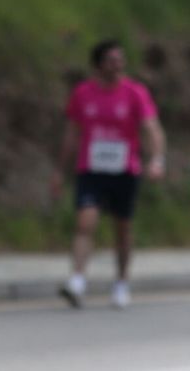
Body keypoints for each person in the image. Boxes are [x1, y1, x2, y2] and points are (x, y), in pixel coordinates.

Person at [53, 39, 166, 309]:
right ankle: (77, 281)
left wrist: (157, 159)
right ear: (98, 65)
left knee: (122, 229)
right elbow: (71, 134)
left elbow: (152, 128)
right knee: (85, 222)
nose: (118, 66)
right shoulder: (82, 94)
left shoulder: (135, 93)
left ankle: (121, 283)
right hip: (91, 169)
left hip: (124, 171)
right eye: (111, 61)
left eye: (120, 60)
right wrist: (60, 170)